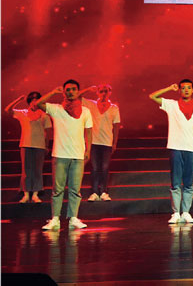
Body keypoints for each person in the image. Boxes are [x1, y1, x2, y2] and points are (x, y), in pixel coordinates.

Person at [34, 80, 93, 230]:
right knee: (57, 189)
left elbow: (89, 132)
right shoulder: (56, 109)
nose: (71, 92)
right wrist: (53, 92)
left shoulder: (85, 111)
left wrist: (88, 150)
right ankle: (55, 219)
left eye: (73, 89)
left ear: (78, 91)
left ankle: (73, 218)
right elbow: (38, 104)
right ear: (64, 92)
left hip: (78, 155)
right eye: (68, 89)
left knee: (75, 189)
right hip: (60, 154)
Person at [149, 80, 193, 224]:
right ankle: (175, 213)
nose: (186, 90)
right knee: (175, 182)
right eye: (183, 88)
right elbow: (152, 96)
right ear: (179, 90)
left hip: (192, 148)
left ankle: (186, 212)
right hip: (176, 146)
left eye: (189, 88)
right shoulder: (172, 105)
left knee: (188, 182)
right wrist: (169, 88)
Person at [5, 92, 51, 203]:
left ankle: (35, 194)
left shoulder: (44, 115)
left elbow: (48, 131)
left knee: (37, 170)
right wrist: (18, 100)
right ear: (29, 102)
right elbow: (7, 110)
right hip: (26, 145)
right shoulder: (23, 113)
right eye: (32, 100)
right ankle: (26, 194)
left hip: (39, 146)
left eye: (37, 100)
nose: (34, 103)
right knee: (26, 171)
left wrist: (46, 146)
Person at [82, 84, 121, 201]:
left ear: (110, 93)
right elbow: (77, 97)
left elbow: (116, 126)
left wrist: (114, 143)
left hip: (107, 142)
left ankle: (104, 192)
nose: (103, 93)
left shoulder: (114, 108)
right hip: (93, 142)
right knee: (94, 167)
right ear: (97, 92)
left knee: (104, 167)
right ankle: (94, 192)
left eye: (106, 91)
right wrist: (87, 89)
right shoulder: (91, 104)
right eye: (101, 91)